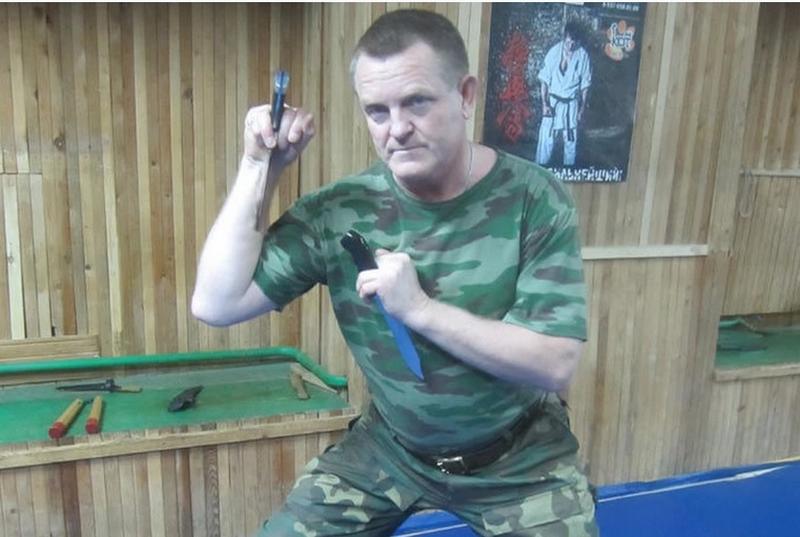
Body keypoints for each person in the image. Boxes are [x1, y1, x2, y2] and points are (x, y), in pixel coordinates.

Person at [192, 8, 598, 537]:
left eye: (417, 102)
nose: (398, 129)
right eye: (377, 111)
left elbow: (555, 361)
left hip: (520, 459)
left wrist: (420, 310)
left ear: (466, 95)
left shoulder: (534, 198)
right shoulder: (340, 211)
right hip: (391, 451)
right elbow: (216, 303)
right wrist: (259, 168)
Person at [535, 22, 592, 167]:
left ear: (578, 41)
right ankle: (540, 167)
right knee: (546, 138)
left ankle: (569, 169)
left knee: (570, 140)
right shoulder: (554, 52)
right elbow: (544, 81)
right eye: (568, 42)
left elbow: (585, 85)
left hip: (571, 103)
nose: (570, 45)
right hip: (553, 102)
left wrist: (582, 109)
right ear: (564, 38)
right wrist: (544, 104)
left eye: (574, 42)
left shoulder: (583, 56)